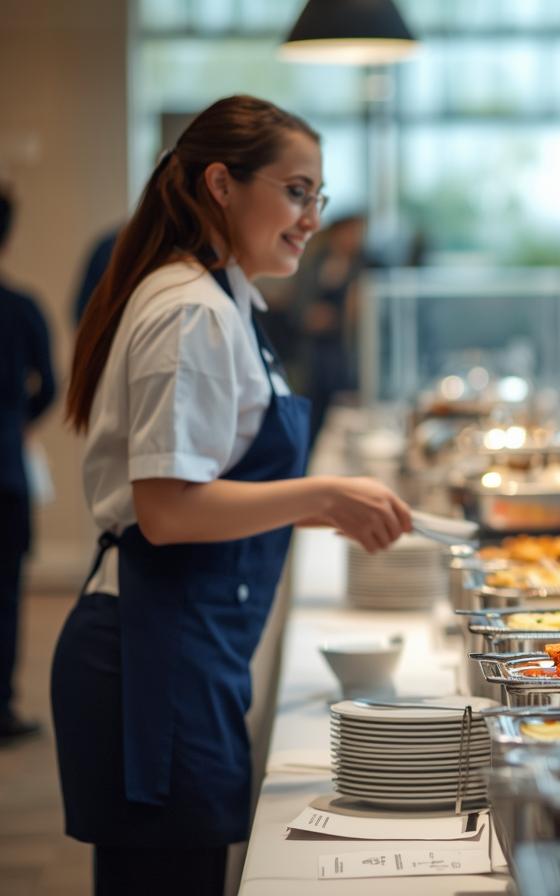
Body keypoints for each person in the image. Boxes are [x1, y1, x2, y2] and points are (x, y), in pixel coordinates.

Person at [52, 95, 413, 895]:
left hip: (184, 642)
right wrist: (322, 495)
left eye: (318, 195)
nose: (312, 218)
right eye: (296, 191)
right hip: (151, 651)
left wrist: (322, 503)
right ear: (221, 184)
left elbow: (208, 487)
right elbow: (168, 510)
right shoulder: (191, 311)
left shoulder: (224, 299)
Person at [0, 185, 56, 743]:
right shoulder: (21, 308)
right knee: (5, 594)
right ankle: (1, 707)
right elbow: (51, 385)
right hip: (7, 469)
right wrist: (20, 419)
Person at [291, 213, 366, 439]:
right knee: (312, 406)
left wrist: (341, 317)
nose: (355, 238)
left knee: (343, 405)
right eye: (350, 232)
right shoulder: (314, 262)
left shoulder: (365, 266)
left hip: (344, 348)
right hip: (314, 349)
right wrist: (309, 315)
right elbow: (298, 302)